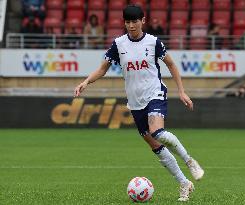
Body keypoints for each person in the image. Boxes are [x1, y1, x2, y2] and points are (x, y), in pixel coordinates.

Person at [74, 5, 204, 202]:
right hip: (135, 103)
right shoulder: (119, 44)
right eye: (127, 22)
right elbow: (102, 69)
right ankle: (184, 183)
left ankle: (189, 161)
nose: (131, 25)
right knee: (154, 144)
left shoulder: (153, 42)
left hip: (155, 93)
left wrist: (182, 91)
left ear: (143, 21)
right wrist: (85, 82)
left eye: (135, 21)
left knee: (157, 132)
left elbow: (171, 64)